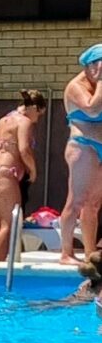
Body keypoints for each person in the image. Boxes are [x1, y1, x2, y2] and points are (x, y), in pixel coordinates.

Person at [0, 89, 46, 264]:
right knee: (9, 225)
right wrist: (33, 170)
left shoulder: (2, 121)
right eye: (39, 115)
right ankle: (0, 268)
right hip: (6, 177)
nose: (37, 120)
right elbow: (24, 149)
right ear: (34, 108)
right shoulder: (24, 122)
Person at [59, 48, 102, 273]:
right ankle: (66, 253)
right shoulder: (76, 86)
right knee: (76, 201)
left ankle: (89, 253)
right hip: (83, 145)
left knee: (93, 205)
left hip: (99, 147)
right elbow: (93, 110)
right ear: (90, 66)